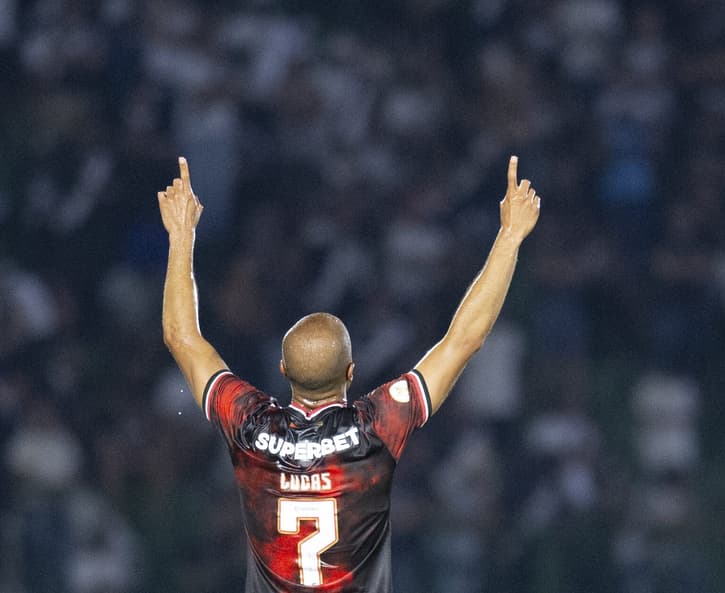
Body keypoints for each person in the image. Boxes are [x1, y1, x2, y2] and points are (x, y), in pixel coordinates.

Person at [157, 155, 540, 593]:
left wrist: (181, 233)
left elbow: (181, 337)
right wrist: (510, 235)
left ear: (283, 371)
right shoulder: (375, 426)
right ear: (352, 372)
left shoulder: (249, 423)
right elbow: (463, 340)